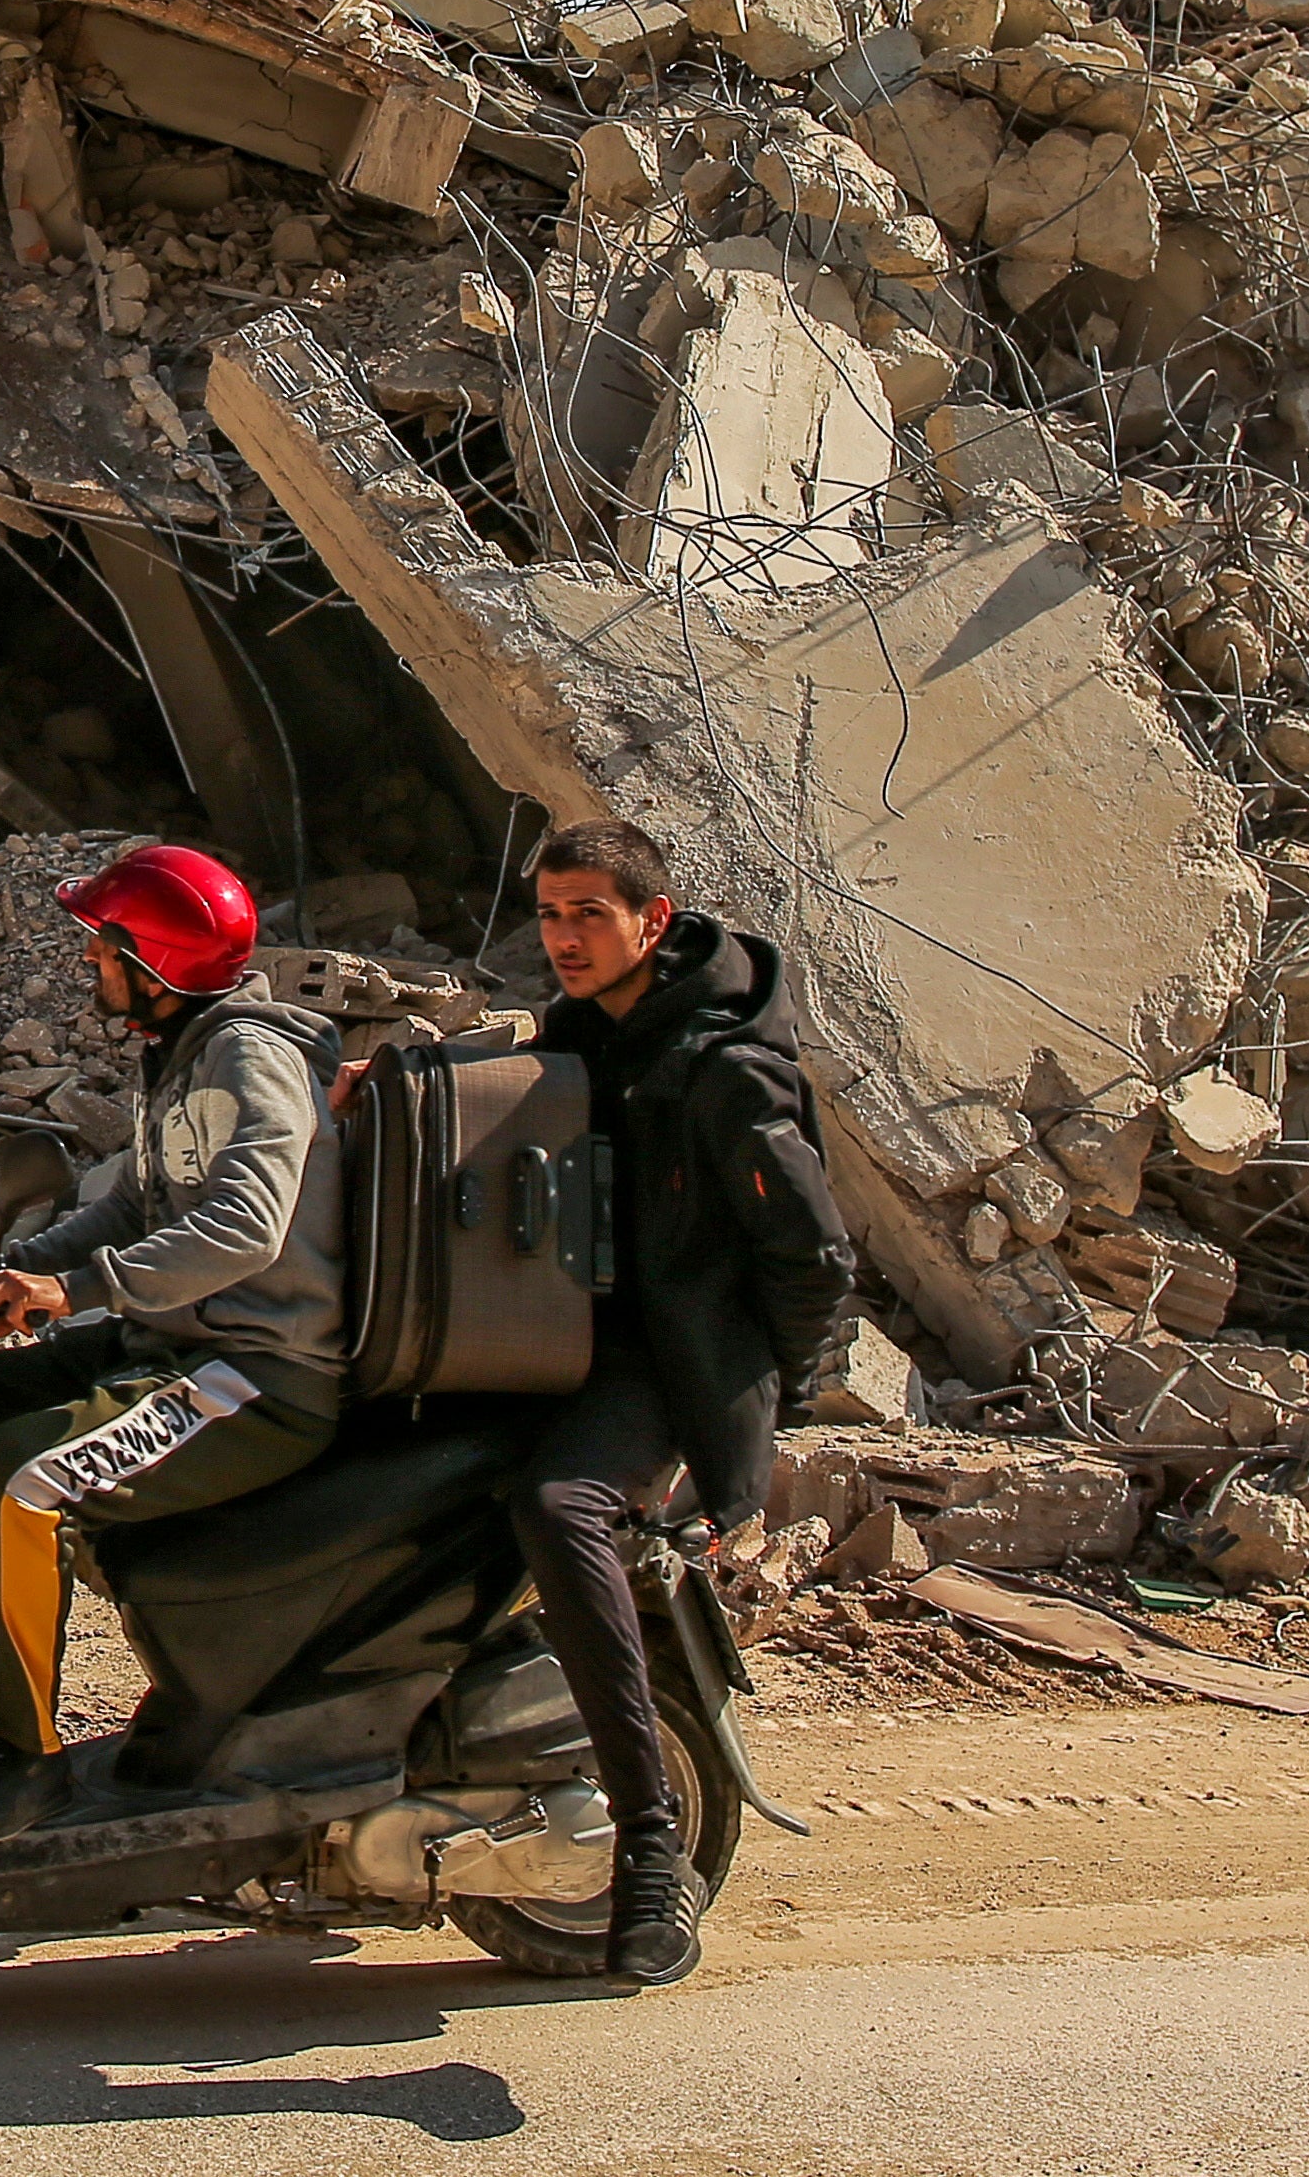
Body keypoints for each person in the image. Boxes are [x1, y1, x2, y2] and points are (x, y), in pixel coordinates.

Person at [0, 838, 347, 1844]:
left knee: (23, 1477)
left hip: (257, 1374)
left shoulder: (248, 1056)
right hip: (177, 1347)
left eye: (102, 952)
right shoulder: (178, 1059)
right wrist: (13, 1272)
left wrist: (74, 1289)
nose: (87, 967)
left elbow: (244, 1226)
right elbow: (136, 1209)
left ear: (151, 966)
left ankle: (27, 1763)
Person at [506, 814, 855, 1989]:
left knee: (561, 1506)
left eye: (586, 915)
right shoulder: (576, 1036)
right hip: (568, 1345)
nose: (562, 937)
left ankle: (646, 1839)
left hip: (675, 1366)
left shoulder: (725, 1069)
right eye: (548, 914)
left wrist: (764, 1406)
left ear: (651, 921)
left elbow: (811, 1261)